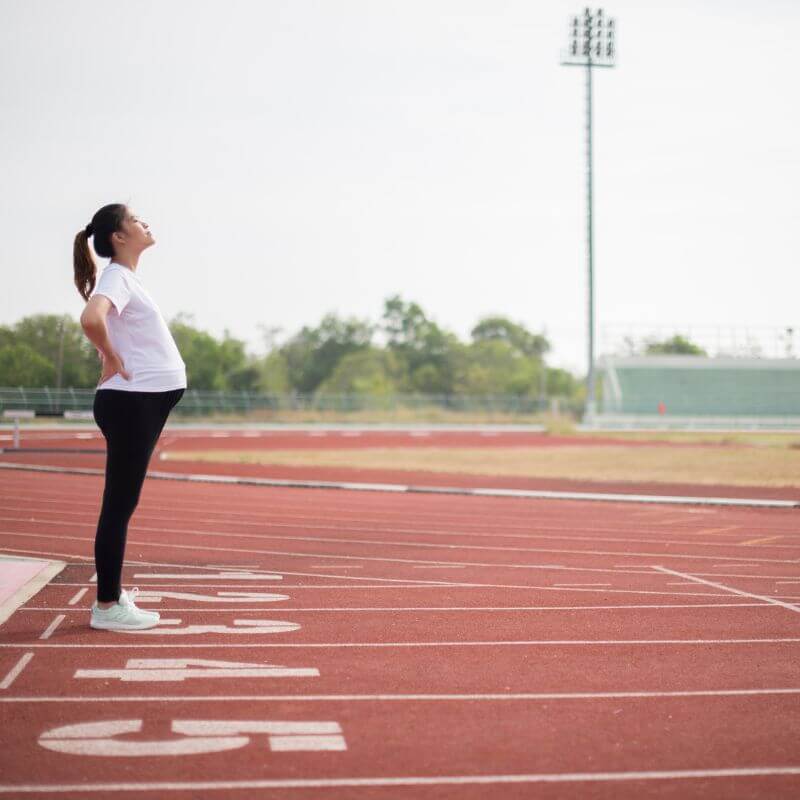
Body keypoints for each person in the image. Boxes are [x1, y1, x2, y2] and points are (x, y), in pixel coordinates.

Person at [73, 203, 186, 630]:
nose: (146, 223)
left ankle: (111, 596)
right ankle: (106, 607)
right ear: (119, 237)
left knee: (122, 503)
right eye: (137, 219)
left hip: (139, 401)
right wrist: (111, 355)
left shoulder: (126, 279)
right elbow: (90, 318)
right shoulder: (118, 277)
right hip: (132, 402)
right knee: (119, 505)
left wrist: (111, 352)